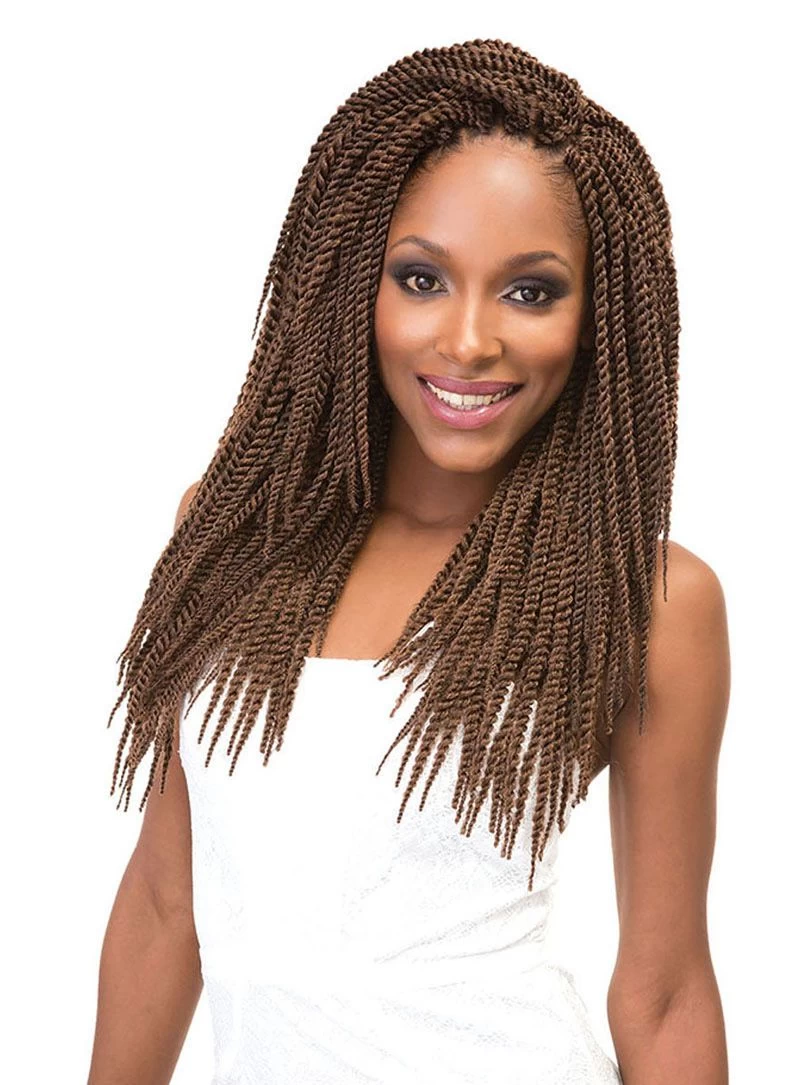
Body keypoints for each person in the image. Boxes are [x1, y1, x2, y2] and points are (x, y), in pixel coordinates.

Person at [88, 38, 730, 1084]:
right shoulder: (230, 537)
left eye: (530, 292)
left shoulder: (646, 600)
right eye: (421, 278)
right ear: (353, 282)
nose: (469, 340)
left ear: (597, 320)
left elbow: (664, 990)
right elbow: (167, 906)